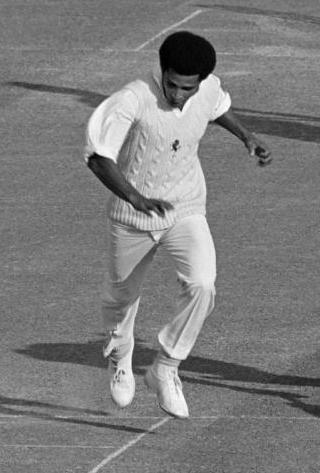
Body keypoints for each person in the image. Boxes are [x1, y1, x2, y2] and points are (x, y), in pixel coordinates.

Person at [84, 31, 272, 418]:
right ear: (161, 70)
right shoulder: (133, 97)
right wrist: (134, 197)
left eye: (188, 88)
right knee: (120, 299)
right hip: (131, 217)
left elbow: (217, 108)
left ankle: (165, 367)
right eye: (172, 85)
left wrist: (247, 137)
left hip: (185, 207)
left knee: (203, 284)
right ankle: (120, 358)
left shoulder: (207, 89)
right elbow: (98, 156)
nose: (178, 95)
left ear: (200, 81)